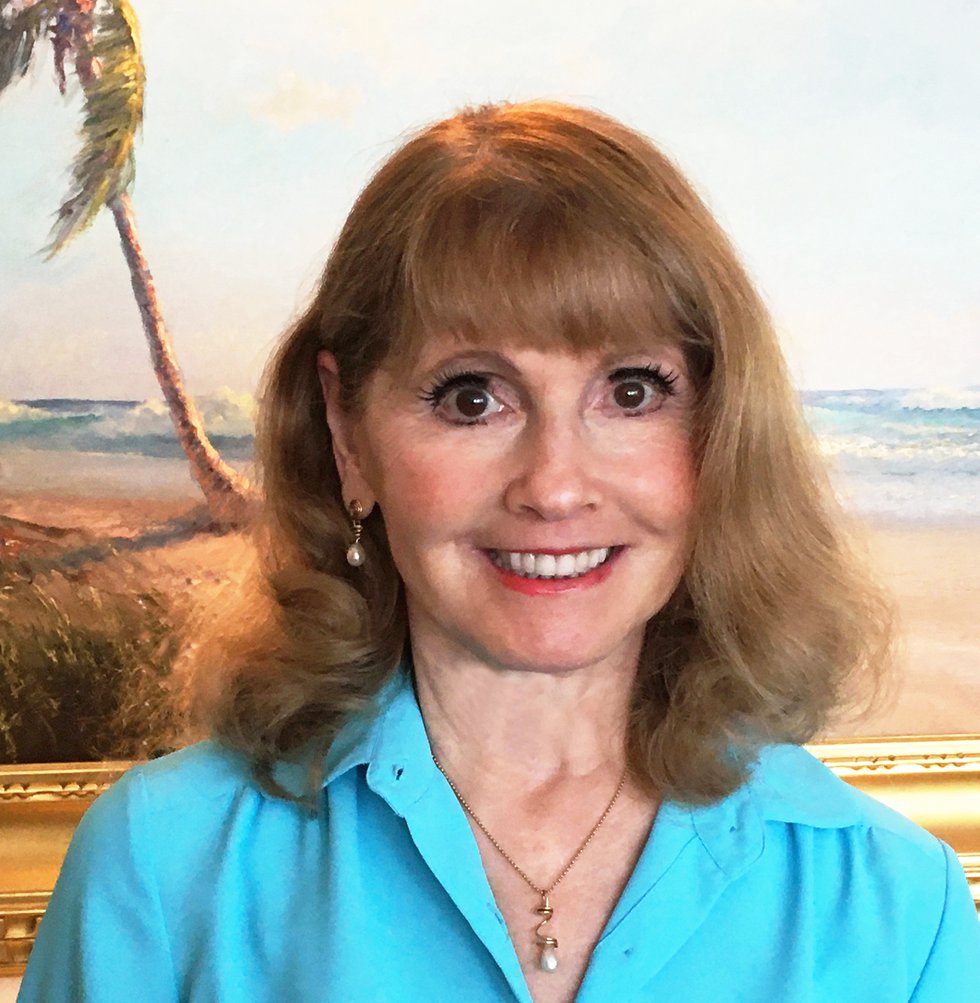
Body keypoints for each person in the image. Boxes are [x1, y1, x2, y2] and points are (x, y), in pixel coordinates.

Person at [18, 100, 980, 1003]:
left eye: (633, 391)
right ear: (348, 435)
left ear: (721, 433)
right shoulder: (159, 868)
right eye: (472, 396)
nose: (555, 485)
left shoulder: (900, 909)